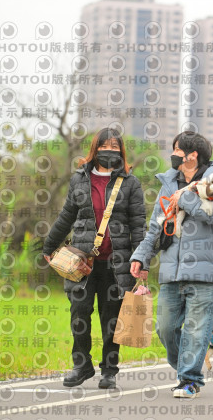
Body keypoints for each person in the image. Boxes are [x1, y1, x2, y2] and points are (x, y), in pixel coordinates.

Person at [129, 131, 213, 399]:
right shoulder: (169, 182)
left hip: (204, 272)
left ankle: (189, 379)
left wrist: (185, 198)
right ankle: (186, 368)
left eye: (177, 150)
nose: (173, 154)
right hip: (171, 270)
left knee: (196, 330)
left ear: (192, 155)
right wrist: (141, 256)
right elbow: (156, 226)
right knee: (165, 328)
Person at [42, 128, 146, 389]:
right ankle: (82, 365)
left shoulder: (130, 183)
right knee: (79, 313)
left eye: (114, 146)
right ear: (95, 149)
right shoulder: (80, 179)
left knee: (111, 319)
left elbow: (138, 225)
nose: (109, 150)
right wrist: (50, 245)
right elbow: (67, 215)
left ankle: (109, 370)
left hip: (117, 263)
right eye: (104, 145)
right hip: (82, 262)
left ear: (121, 151)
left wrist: (141, 259)